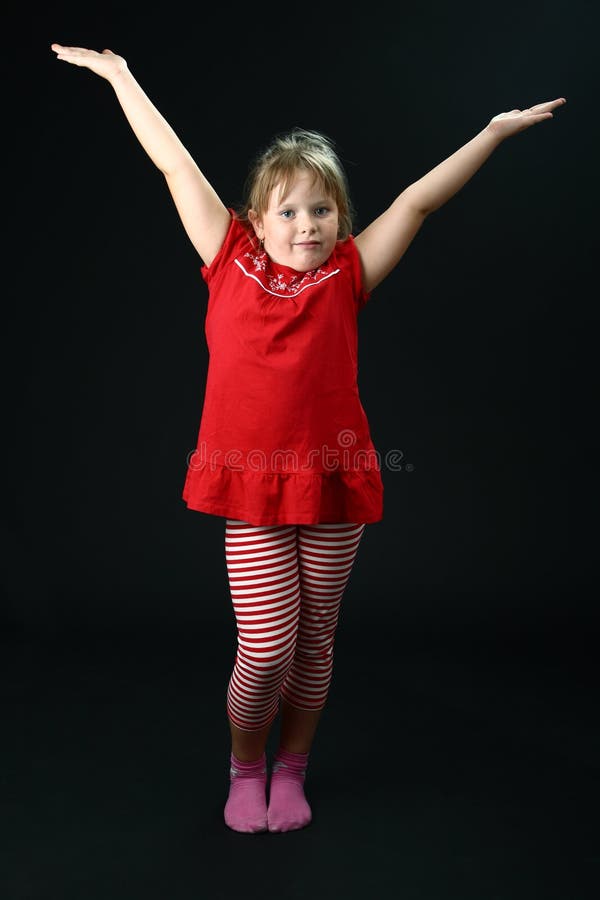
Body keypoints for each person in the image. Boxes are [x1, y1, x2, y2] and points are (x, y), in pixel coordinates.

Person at [50, 41, 566, 834]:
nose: (306, 225)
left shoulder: (348, 274)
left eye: (321, 211)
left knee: (317, 640)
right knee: (265, 650)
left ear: (340, 221)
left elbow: (419, 202)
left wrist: (491, 134)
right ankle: (244, 763)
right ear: (257, 220)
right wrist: (121, 77)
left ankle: (292, 769)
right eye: (288, 211)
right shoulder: (228, 259)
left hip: (333, 481)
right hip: (252, 480)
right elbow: (174, 165)